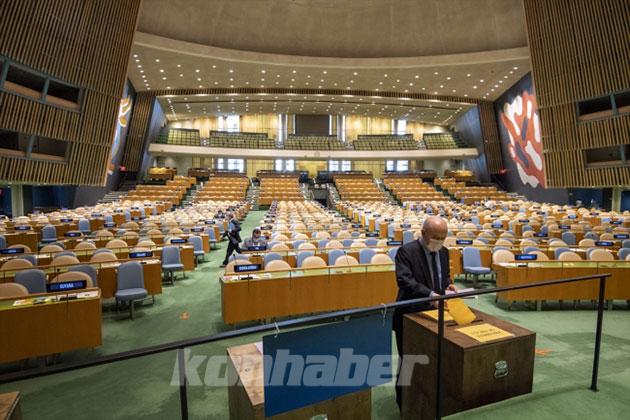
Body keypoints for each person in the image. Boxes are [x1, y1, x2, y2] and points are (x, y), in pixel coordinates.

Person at [392, 215, 456, 410]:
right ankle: (404, 404)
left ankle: (428, 402)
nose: (439, 241)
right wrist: (430, 295)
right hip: (410, 315)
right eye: (436, 237)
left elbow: (443, 277)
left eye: (443, 238)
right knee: (409, 362)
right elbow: (405, 281)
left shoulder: (444, 252)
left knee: (432, 360)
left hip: (435, 315)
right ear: (423, 233)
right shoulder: (406, 251)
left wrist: (448, 286)